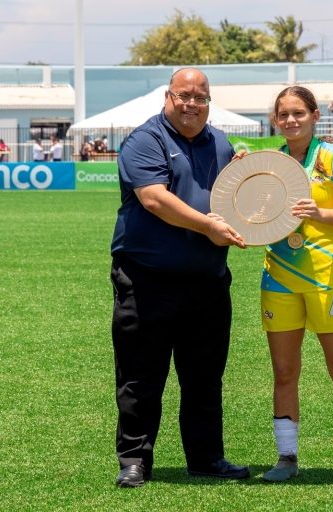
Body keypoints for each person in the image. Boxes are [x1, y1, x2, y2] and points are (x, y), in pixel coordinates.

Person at [110, 67, 249, 488]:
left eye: (200, 97)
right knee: (140, 377)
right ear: (167, 98)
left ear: (210, 102)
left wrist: (244, 172)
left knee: (205, 377)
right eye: (183, 95)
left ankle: (206, 458)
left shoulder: (220, 142)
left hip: (208, 281)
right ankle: (134, 461)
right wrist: (207, 226)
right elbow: (154, 199)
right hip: (146, 280)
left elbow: (232, 194)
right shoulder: (145, 139)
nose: (191, 104)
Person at [258, 85, 333, 485]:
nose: (291, 120)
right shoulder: (267, 162)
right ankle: (286, 458)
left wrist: (319, 212)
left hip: (329, 278)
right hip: (279, 279)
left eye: (298, 113)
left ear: (315, 115)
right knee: (285, 371)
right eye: (284, 115)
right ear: (275, 120)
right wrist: (243, 174)